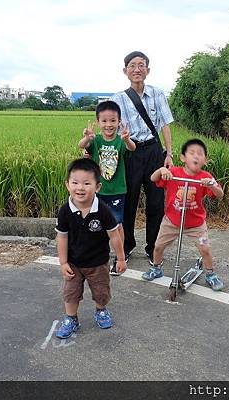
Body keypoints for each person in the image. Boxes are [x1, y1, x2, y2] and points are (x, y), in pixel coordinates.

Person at [110, 50, 174, 270]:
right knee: (129, 201)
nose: (137, 69)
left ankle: (152, 248)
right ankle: (126, 247)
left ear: (148, 69)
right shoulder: (117, 99)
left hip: (154, 152)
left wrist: (169, 154)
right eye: (132, 65)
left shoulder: (158, 94)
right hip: (130, 152)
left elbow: (165, 124)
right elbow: (109, 127)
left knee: (156, 203)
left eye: (141, 65)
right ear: (125, 70)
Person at [54, 158, 127, 339]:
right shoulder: (65, 211)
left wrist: (120, 258)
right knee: (70, 293)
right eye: (75, 183)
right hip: (73, 263)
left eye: (87, 183)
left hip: (98, 262)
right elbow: (62, 237)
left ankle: (101, 311)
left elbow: (114, 234)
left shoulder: (103, 210)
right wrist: (63, 262)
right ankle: (71, 318)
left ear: (97, 187)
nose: (80, 188)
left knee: (101, 291)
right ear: (67, 185)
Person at [142, 138, 225, 291]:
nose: (196, 156)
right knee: (158, 246)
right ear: (182, 158)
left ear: (205, 160)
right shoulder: (174, 173)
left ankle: (210, 274)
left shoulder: (205, 177)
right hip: (171, 221)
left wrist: (212, 185)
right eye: (192, 153)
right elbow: (153, 179)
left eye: (200, 154)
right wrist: (161, 171)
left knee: (205, 249)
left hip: (196, 224)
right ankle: (156, 268)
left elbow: (220, 194)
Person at [78, 101, 136, 275]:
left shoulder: (120, 141)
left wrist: (127, 139)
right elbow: (81, 146)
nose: (108, 125)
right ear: (98, 122)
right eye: (104, 121)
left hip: (117, 191)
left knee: (117, 225)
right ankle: (96, 254)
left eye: (113, 121)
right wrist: (87, 137)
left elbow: (132, 147)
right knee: (95, 224)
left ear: (119, 122)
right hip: (98, 191)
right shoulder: (95, 141)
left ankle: (120, 256)